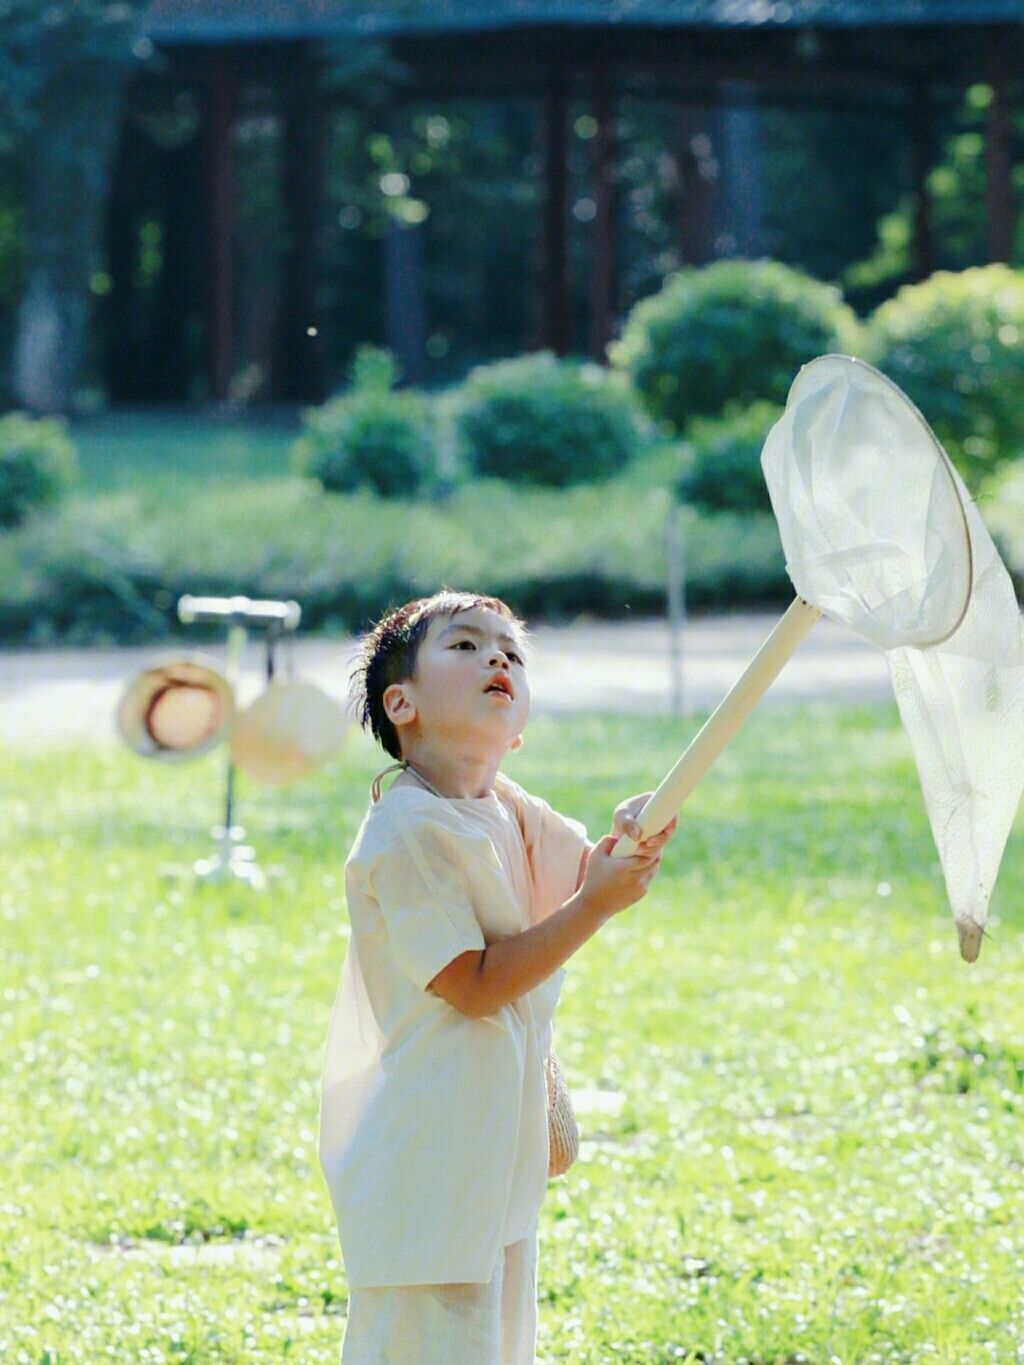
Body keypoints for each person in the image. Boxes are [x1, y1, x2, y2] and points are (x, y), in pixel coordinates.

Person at [318, 589, 676, 1363]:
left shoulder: (506, 806)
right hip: (429, 1171)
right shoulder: (408, 829)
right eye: (467, 644)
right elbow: (474, 983)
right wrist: (596, 903)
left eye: (511, 651)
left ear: (516, 737)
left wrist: (631, 834)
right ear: (401, 702)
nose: (498, 659)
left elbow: (587, 874)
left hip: (494, 1163)